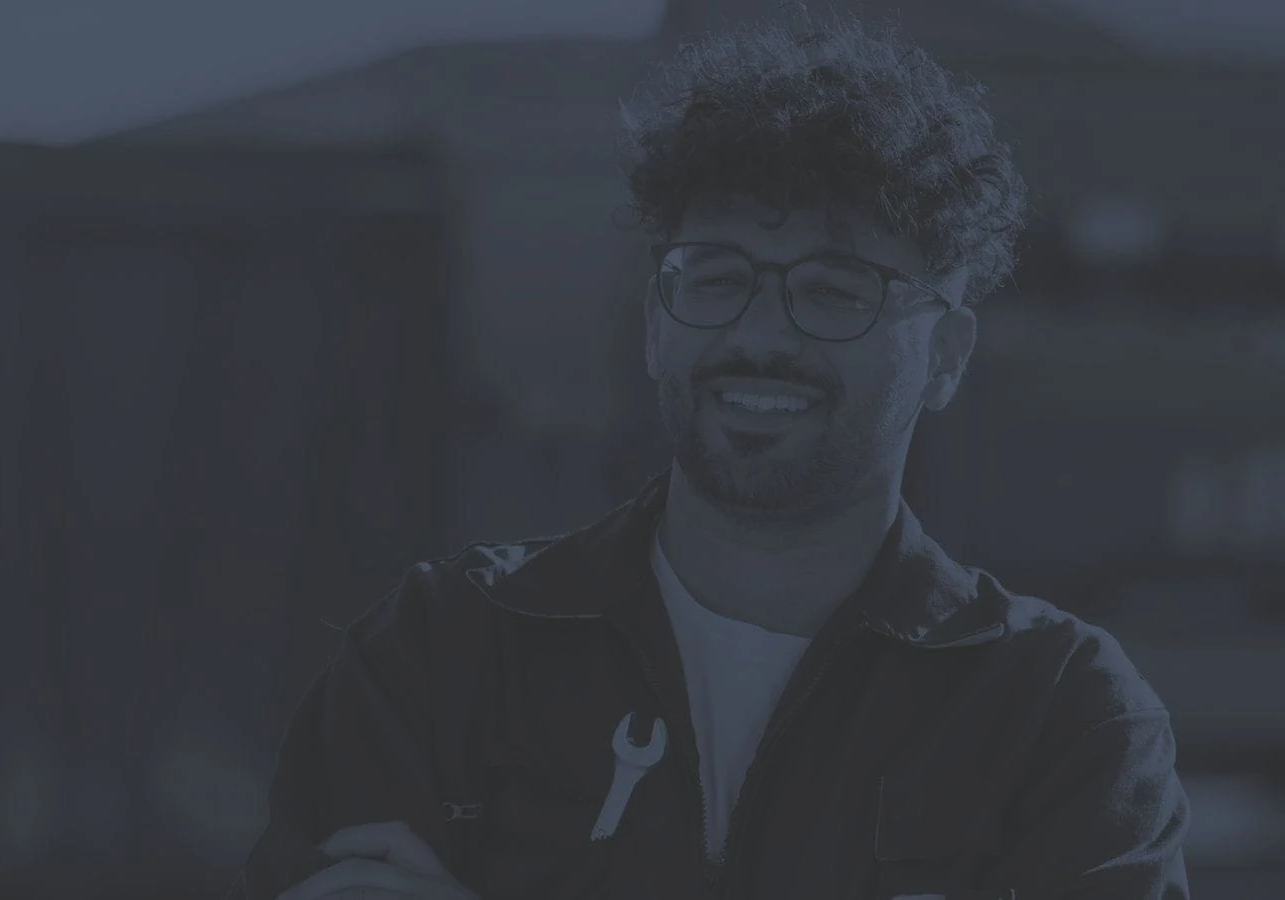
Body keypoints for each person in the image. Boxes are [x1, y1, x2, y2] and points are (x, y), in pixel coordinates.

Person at [231, 9, 1190, 899]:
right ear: (657, 325)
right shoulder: (439, 655)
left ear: (945, 354)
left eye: (834, 288)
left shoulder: (1060, 717)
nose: (759, 334)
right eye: (717, 276)